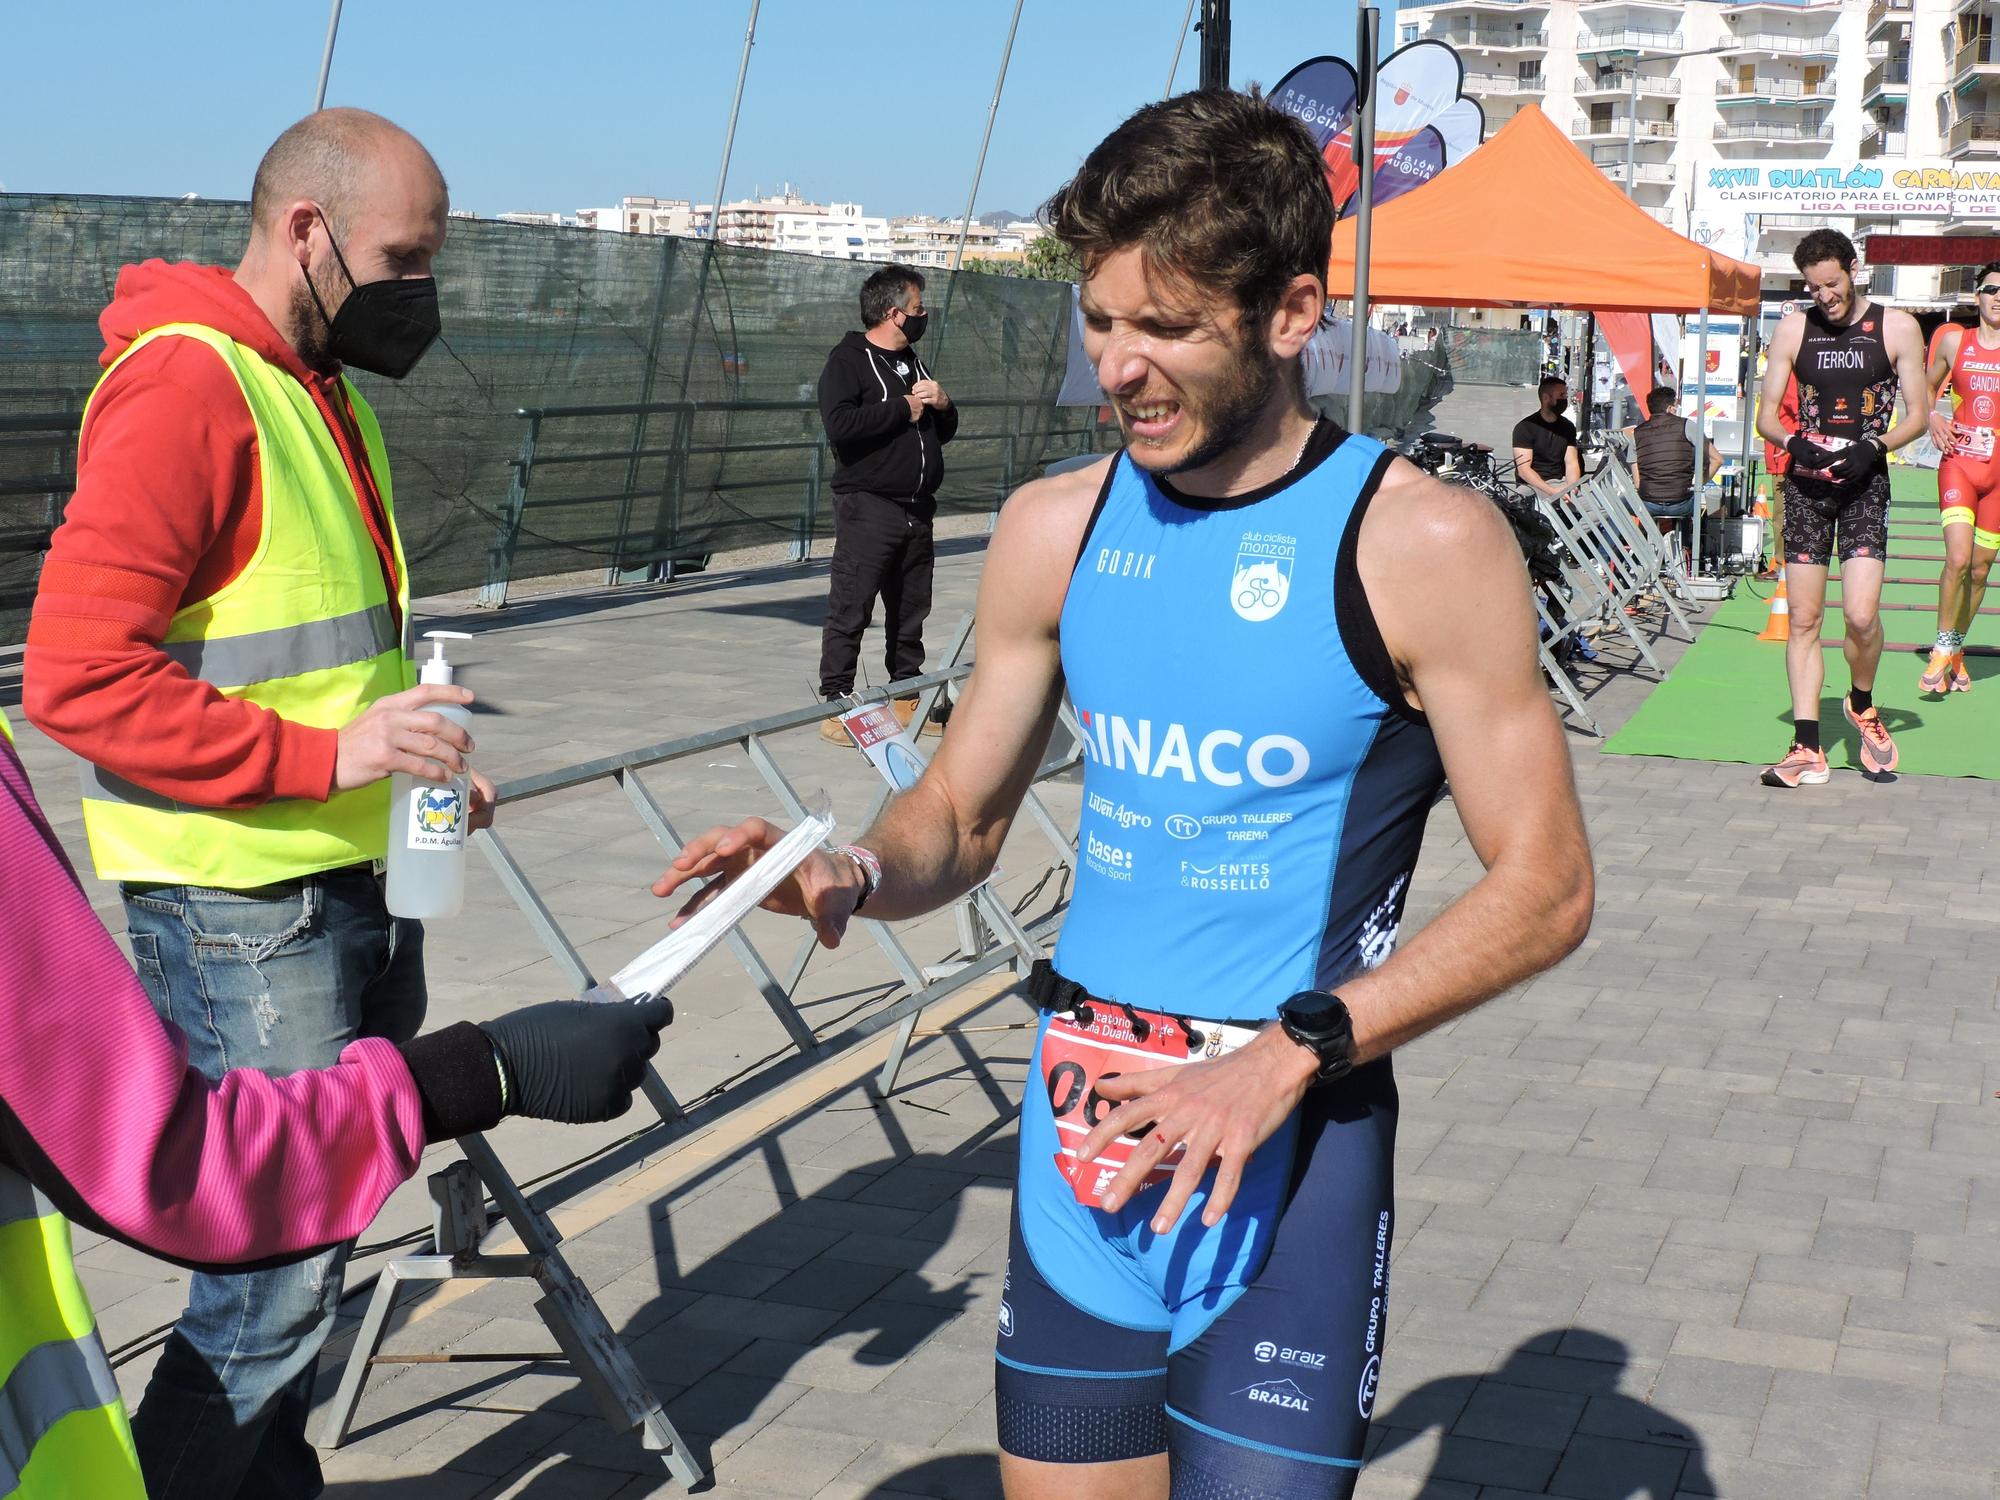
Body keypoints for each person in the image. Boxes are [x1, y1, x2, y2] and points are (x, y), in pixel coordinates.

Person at [654, 88, 1593, 1500]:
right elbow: (960, 819)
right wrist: (846, 873)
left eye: (1167, 329)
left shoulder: (1423, 543)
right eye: (1100, 322)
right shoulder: (1055, 526)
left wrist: (1291, 1054)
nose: (1120, 370)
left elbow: (1546, 885)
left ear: (1289, 313)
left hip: (1286, 1145)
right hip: (1081, 1142)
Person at [22, 108, 496, 1498]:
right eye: (404, 256)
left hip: (341, 885)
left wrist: (422, 772)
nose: (421, 291)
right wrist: (329, 765)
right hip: (244, 905)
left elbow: (324, 658)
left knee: (317, 1235)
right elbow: (77, 676)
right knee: (274, 1269)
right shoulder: (192, 388)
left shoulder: (306, 381)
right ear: (310, 229)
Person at [0, 706, 672, 1500]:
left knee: (302, 1270)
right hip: (245, 892)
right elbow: (161, 1160)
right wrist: (487, 1069)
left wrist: (395, 780)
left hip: (339, 871)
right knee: (274, 1287)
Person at [1754, 229, 1929, 786]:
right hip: (1807, 486)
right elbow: (1766, 418)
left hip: (1864, 483)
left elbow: (1918, 415)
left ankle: (1862, 702)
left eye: (1832, 284)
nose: (1824, 296)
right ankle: (1807, 746)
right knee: (1804, 619)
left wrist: (1874, 447)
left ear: (1852, 270)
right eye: (1814, 287)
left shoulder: (1897, 326)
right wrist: (1792, 443)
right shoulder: (1793, 328)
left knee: (1859, 614)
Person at [815, 264, 959, 744]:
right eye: (919, 309)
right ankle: (836, 704)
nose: (925, 315)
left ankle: (907, 694)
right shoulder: (848, 361)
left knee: (911, 606)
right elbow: (839, 425)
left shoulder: (912, 361)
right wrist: (902, 408)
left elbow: (943, 431)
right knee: (852, 603)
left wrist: (942, 404)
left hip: (917, 506)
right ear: (894, 313)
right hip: (869, 505)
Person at [1919, 265, 2000, 695]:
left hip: (1999, 475)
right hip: (1960, 464)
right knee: (1958, 559)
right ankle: (1941, 646)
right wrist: (1932, 414)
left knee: (1982, 570)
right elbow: (1924, 386)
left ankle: (1955, 649)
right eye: (1991, 290)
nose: (1998, 297)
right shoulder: (1955, 340)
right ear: (1977, 297)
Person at [1624, 385, 1722, 539]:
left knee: (1618, 503)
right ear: (1670, 408)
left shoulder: (1637, 433)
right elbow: (1717, 460)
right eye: (1675, 407)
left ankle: (1632, 546)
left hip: (1648, 502)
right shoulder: (1687, 425)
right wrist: (1698, 484)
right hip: (1681, 502)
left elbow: (1637, 483)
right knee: (1708, 504)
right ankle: (1688, 545)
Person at [1511, 375, 1581, 499]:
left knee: (1600, 509)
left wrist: (1572, 489)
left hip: (1561, 483)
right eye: (1561, 395)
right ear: (1546, 398)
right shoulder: (1524, 428)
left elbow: (1572, 463)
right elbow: (1524, 470)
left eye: (1565, 395)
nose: (1565, 399)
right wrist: (1552, 492)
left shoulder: (1568, 427)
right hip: (1533, 486)